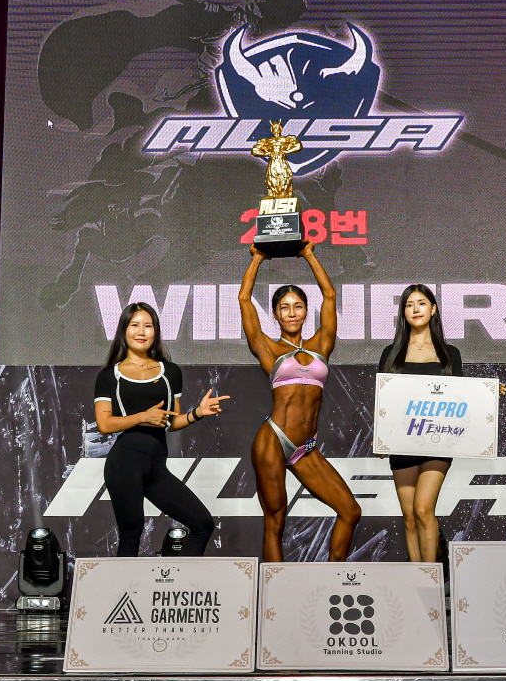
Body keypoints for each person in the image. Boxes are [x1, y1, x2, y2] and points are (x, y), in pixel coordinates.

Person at [240, 240, 360, 562]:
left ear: (306, 311)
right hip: (273, 440)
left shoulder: (322, 343)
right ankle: (276, 588)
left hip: (305, 448)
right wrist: (257, 259)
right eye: (284, 308)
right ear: (276, 314)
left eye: (298, 306)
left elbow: (330, 296)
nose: (291, 313)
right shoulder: (268, 348)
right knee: (275, 523)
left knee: (350, 511)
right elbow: (244, 300)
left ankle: (332, 580)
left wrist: (308, 255)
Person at [96, 302, 229, 556]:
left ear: (155, 331)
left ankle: (181, 580)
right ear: (124, 330)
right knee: (131, 533)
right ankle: (122, 584)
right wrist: (142, 417)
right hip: (124, 464)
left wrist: (197, 413)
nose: (141, 331)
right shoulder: (110, 376)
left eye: (148, 326)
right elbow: (104, 424)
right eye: (134, 325)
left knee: (202, 525)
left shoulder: (170, 372)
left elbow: (171, 422)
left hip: (156, 468)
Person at [378, 285, 464, 564]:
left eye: (422, 303)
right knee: (409, 516)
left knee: (424, 509)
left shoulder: (450, 353)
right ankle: (415, 576)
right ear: (403, 312)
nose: (416, 309)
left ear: (433, 309)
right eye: (409, 304)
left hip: (438, 442)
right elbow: (384, 400)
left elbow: (462, 396)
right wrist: (381, 438)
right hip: (403, 443)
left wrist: (489, 393)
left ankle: (432, 579)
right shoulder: (391, 353)